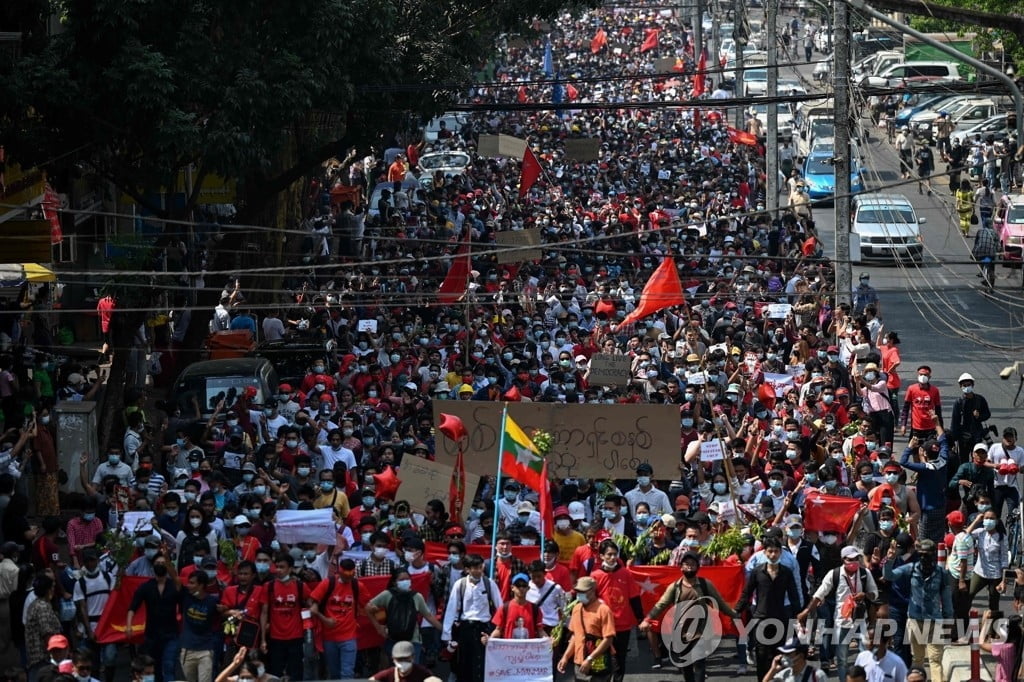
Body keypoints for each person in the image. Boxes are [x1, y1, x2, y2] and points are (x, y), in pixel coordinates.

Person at [640, 551, 739, 678]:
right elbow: (661, 605)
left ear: (698, 567)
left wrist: (734, 614)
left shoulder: (705, 584)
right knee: (685, 666)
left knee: (699, 664)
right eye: (686, 564)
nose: (689, 567)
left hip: (701, 631)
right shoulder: (675, 587)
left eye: (693, 564)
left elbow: (720, 603)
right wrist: (647, 619)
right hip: (681, 632)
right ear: (681, 567)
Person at [799, 546, 878, 682]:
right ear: (843, 560)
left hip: (860, 620)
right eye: (850, 559)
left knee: (866, 656)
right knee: (842, 659)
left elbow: (874, 594)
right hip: (842, 621)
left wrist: (865, 595)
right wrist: (806, 611)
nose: (854, 562)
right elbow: (819, 594)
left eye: (856, 559)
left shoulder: (865, 573)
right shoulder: (834, 574)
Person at [884, 539, 953, 682]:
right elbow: (889, 576)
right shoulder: (911, 568)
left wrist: (948, 620)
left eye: (926, 555)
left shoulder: (941, 573)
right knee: (917, 659)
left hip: (935, 621)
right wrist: (889, 560)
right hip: (915, 620)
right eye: (920, 554)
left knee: (935, 660)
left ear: (933, 555)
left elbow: (946, 600)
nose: (923, 558)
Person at [738, 538, 802, 682]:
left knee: (780, 656)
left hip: (781, 619)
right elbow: (746, 593)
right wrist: (736, 611)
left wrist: (799, 617)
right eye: (770, 551)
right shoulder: (757, 572)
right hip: (761, 619)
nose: (773, 554)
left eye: (776, 551)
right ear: (765, 553)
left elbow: (794, 596)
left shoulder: (786, 572)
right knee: (761, 657)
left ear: (780, 553)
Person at [366, 567, 442, 663]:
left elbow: (429, 616)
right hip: (393, 639)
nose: (405, 582)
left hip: (413, 640)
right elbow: (368, 608)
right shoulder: (387, 595)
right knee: (396, 671)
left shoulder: (417, 597)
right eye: (401, 580)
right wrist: (378, 627)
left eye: (407, 579)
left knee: (412, 671)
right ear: (394, 582)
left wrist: (444, 631)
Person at [127, 551, 181, 682]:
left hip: (171, 634)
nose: (160, 565)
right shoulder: (146, 587)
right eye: (158, 563)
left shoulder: (174, 586)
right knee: (153, 669)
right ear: (153, 567)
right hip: (152, 635)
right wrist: (129, 626)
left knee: (169, 667)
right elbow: (132, 607)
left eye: (163, 563)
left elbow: (183, 600)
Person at [309, 558, 361, 680]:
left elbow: (368, 605)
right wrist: (324, 619)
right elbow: (312, 603)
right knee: (334, 673)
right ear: (339, 571)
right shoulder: (327, 583)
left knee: (347, 673)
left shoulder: (357, 585)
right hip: (329, 637)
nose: (348, 578)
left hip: (349, 636)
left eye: (351, 575)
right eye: (345, 575)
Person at [557, 576, 616, 682]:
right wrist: (565, 657)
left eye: (582, 591)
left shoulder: (603, 610)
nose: (579, 594)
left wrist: (590, 659)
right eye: (578, 591)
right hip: (579, 663)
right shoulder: (576, 609)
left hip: (599, 663)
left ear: (593, 590)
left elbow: (608, 639)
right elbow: (576, 636)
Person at [258, 553, 306, 681]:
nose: (278, 570)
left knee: (295, 673)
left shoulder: (300, 586)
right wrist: (263, 639)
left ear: (290, 569)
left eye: (282, 567)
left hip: (296, 637)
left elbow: (311, 605)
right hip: (276, 638)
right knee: (275, 673)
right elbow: (264, 613)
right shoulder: (269, 587)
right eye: (277, 567)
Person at [899, 431, 949, 543]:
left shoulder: (925, 468)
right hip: (941, 508)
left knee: (924, 541)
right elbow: (944, 442)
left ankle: (927, 559)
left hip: (927, 511)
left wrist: (910, 447)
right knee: (939, 539)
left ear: (925, 453)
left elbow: (903, 462)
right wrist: (937, 424)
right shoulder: (943, 461)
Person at [988, 427, 1024, 519]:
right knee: (995, 515)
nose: (1008, 439)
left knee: (1014, 515)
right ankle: (998, 532)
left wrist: (1017, 468)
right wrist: (995, 466)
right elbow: (985, 462)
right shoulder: (995, 447)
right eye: (1006, 436)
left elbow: (1023, 469)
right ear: (1003, 438)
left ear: (1015, 438)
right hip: (997, 487)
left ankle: (1013, 531)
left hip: (1012, 487)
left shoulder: (1020, 451)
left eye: (1011, 436)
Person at [762, 638, 827, 682]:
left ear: (801, 655)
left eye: (788, 654)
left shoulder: (817, 675)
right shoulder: (784, 674)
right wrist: (773, 670)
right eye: (784, 653)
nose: (784, 657)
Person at [972, 218, 999, 289]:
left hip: (980, 252)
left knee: (982, 259)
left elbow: (976, 243)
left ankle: (981, 271)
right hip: (991, 253)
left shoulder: (980, 231)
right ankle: (992, 287)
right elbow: (998, 245)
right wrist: (998, 251)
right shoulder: (995, 233)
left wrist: (973, 252)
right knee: (992, 268)